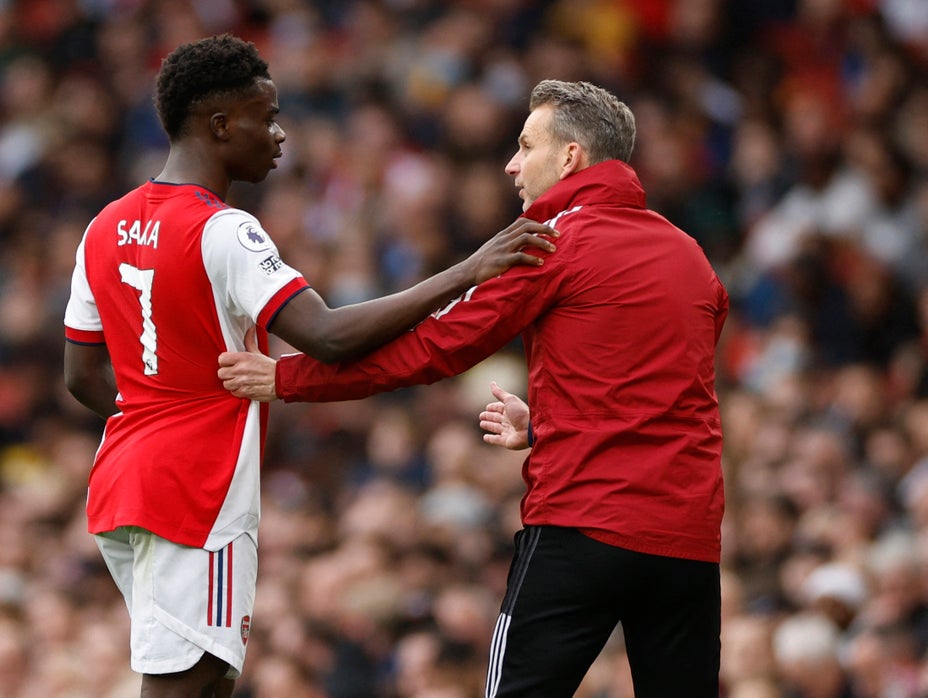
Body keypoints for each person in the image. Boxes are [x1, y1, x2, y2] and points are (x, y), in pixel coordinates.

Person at [62, 34, 556, 698]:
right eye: (265, 118)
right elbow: (327, 336)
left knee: (205, 681)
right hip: (196, 491)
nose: (279, 135)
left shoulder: (103, 225)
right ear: (219, 125)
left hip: (124, 479)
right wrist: (467, 271)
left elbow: (80, 375)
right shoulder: (223, 229)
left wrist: (152, 420)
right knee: (184, 683)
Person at [218, 79, 730, 697]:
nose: (512, 164)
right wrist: (547, 424)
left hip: (581, 521)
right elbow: (660, 391)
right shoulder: (691, 256)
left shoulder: (552, 242)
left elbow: (434, 347)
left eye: (526, 145)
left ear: (570, 157)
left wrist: (288, 378)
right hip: (687, 540)